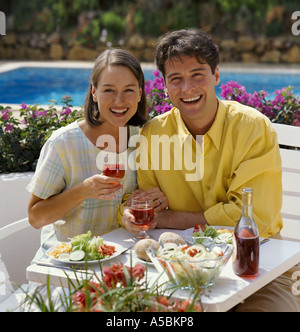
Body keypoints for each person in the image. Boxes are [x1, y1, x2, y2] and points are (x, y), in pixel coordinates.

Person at [122, 28, 300, 311]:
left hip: (260, 267)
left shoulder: (252, 127)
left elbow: (255, 220)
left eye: (197, 75)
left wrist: (169, 219)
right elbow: (145, 207)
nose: (187, 88)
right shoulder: (153, 135)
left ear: (216, 75)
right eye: (176, 79)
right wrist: (131, 215)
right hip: (177, 270)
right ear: (165, 86)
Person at [27, 48, 165, 259]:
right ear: (94, 92)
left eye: (128, 90)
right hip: (68, 265)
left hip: (121, 260)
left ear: (139, 93)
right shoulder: (63, 143)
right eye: (109, 90)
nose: (119, 101)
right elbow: (35, 218)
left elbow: (138, 201)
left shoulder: (143, 138)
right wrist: (83, 190)